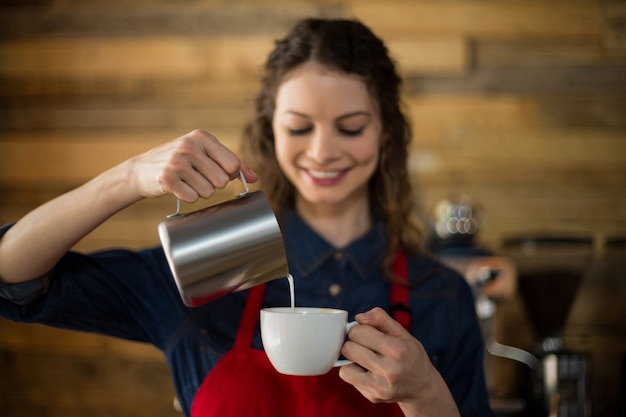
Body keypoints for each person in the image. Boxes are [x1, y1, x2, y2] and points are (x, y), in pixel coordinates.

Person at [0, 18, 492, 416]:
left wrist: (425, 393)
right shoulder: (210, 264)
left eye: (350, 127)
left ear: (385, 132)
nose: (322, 151)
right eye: (299, 127)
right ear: (272, 130)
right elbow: (13, 281)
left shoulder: (441, 294)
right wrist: (127, 177)